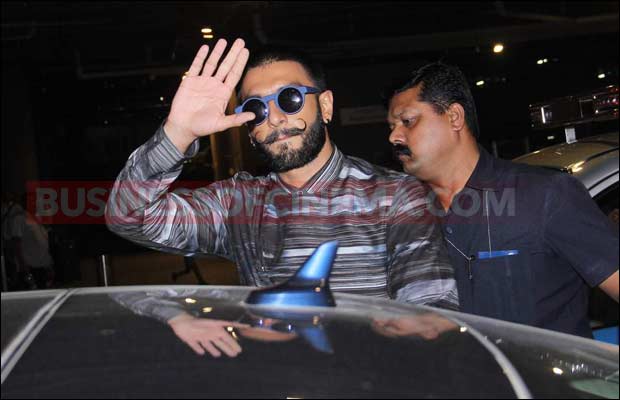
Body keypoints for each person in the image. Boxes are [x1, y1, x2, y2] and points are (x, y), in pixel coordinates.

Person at [106, 38, 458, 309]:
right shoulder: (238, 204)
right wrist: (178, 134)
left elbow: (431, 314)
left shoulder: (396, 196)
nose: (274, 118)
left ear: (325, 105)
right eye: (256, 108)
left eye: (288, 99)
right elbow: (129, 215)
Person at [386, 62, 619, 338]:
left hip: (545, 380)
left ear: (454, 117)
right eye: (391, 126)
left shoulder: (545, 196)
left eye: (407, 121)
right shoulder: (404, 213)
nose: (394, 136)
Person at [2, 192, 55, 290]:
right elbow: (16, 244)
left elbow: (44, 243)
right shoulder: (19, 219)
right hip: (30, 266)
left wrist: (49, 263)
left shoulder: (38, 218)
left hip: (43, 264)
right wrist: (23, 266)